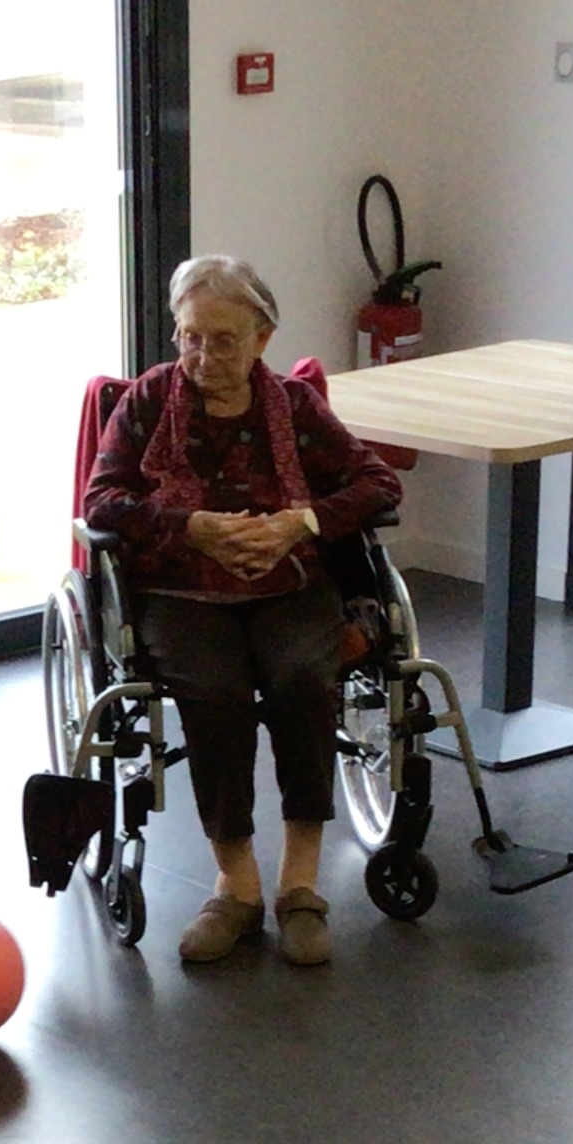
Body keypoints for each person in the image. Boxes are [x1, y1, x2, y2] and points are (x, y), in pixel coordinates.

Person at [81, 254, 404, 968]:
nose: (203, 356)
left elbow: (378, 482)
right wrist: (189, 527)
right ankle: (236, 887)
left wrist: (301, 523)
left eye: (223, 340)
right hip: (180, 587)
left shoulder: (294, 405)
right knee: (215, 690)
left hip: (289, 581)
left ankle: (300, 886)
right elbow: (100, 501)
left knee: (303, 678)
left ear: (262, 337)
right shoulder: (148, 400)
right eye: (191, 337)